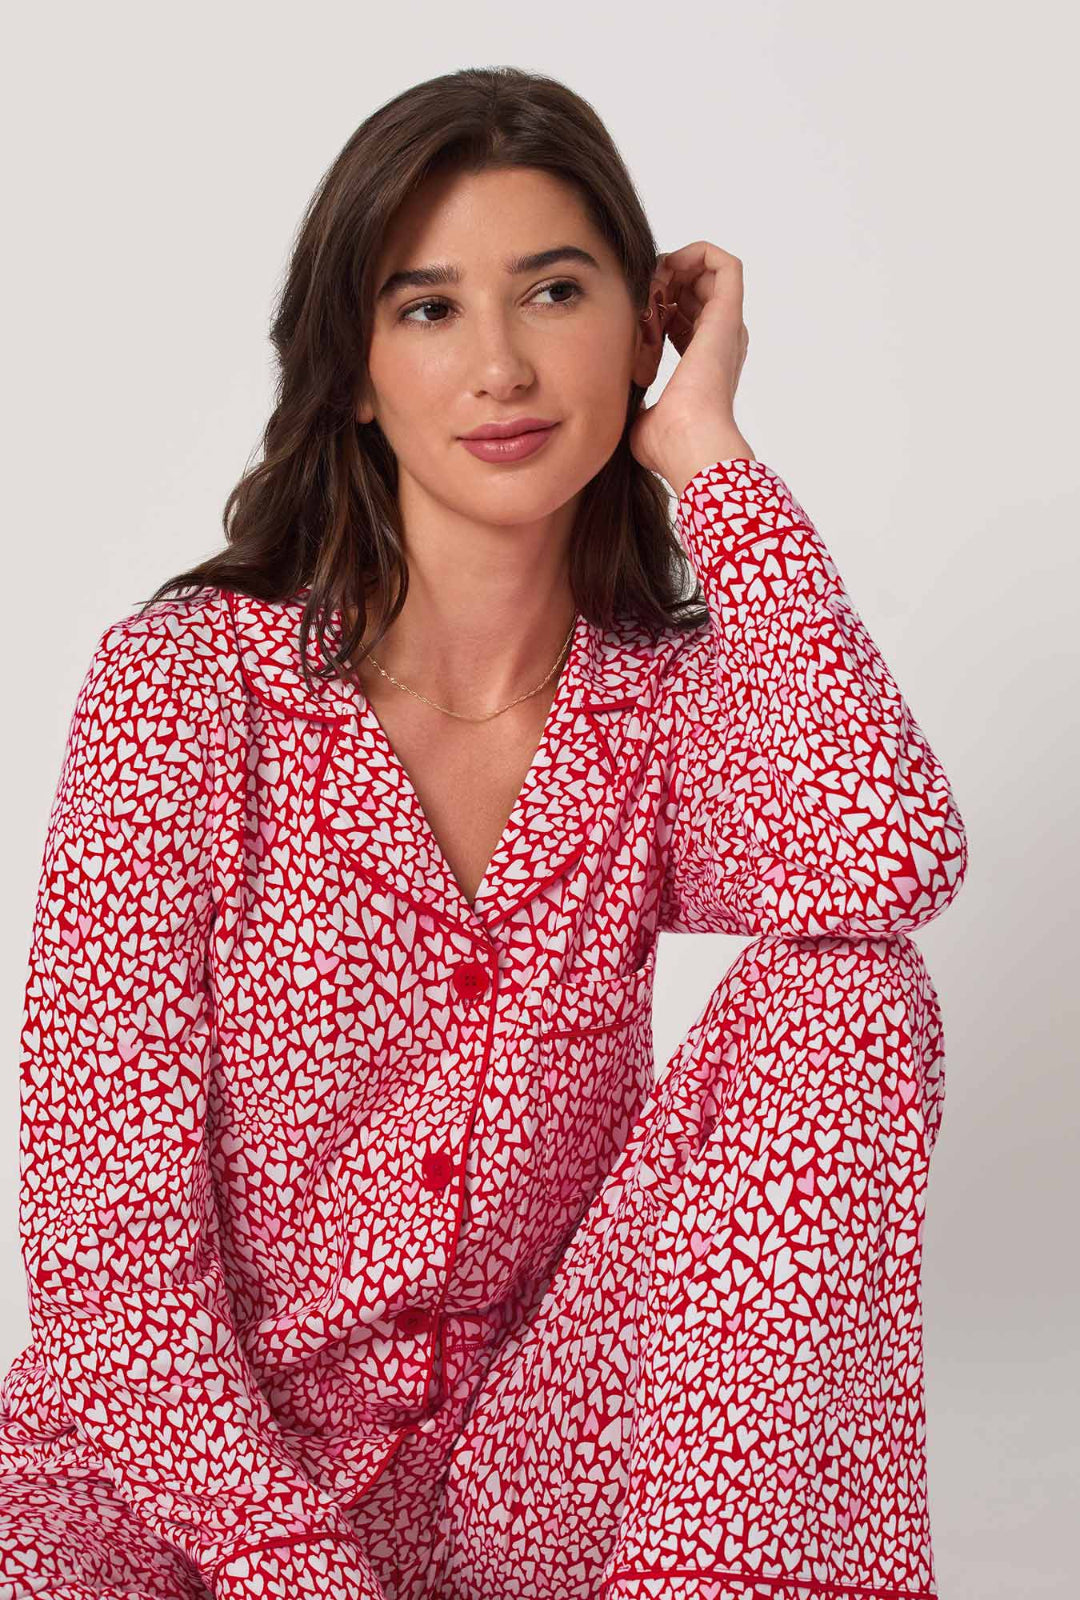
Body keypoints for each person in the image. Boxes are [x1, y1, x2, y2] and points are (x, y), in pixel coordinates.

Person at [0, 65, 968, 1600]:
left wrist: (708, 452)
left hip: (536, 1479)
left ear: (637, 331)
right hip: (182, 1498)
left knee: (853, 997)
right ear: (355, 365)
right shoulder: (189, 692)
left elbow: (889, 859)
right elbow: (109, 1269)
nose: (502, 367)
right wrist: (301, 1579)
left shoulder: (658, 714)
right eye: (429, 308)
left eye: (555, 292)